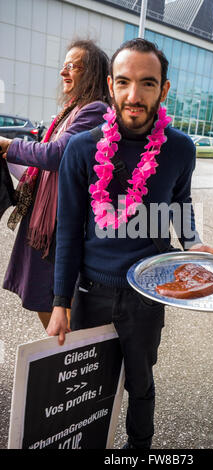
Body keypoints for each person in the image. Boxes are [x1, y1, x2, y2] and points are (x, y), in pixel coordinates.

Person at [47, 38, 213, 449]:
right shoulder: (82, 148)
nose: (134, 95)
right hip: (92, 292)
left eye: (147, 84)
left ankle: (139, 448)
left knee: (141, 382)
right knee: (90, 385)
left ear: (163, 89)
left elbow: (179, 204)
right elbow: (69, 230)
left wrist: (195, 243)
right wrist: (61, 302)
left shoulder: (180, 149)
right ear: (110, 85)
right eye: (124, 82)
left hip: (147, 293)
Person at [0, 39, 109, 329]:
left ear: (93, 73)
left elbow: (57, 155)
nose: (63, 72)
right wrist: (5, 153)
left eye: (73, 66)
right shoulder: (71, 111)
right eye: (64, 65)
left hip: (60, 225)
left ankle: (74, 361)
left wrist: (8, 144)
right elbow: (38, 168)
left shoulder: (95, 111)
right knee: (44, 301)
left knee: (60, 303)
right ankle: (67, 358)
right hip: (44, 221)